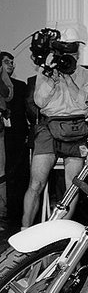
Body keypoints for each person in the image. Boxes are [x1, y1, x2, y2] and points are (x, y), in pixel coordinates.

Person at [21, 28, 88, 229]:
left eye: (72, 53)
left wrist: (69, 80)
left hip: (76, 127)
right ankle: (24, 231)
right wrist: (52, 79)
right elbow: (40, 102)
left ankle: (59, 233)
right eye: (65, 53)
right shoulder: (46, 70)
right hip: (49, 127)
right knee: (36, 184)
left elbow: (84, 109)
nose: (68, 58)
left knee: (73, 187)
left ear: (78, 54)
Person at [0, 52, 29, 227]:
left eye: (12, 62)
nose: (11, 65)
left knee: (16, 175)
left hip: (16, 137)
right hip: (3, 135)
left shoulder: (19, 86)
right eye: (6, 62)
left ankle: (13, 214)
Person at [0, 55, 13, 231]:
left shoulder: (4, 78)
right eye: (6, 62)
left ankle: (1, 214)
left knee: (1, 173)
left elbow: (7, 94)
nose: (11, 65)